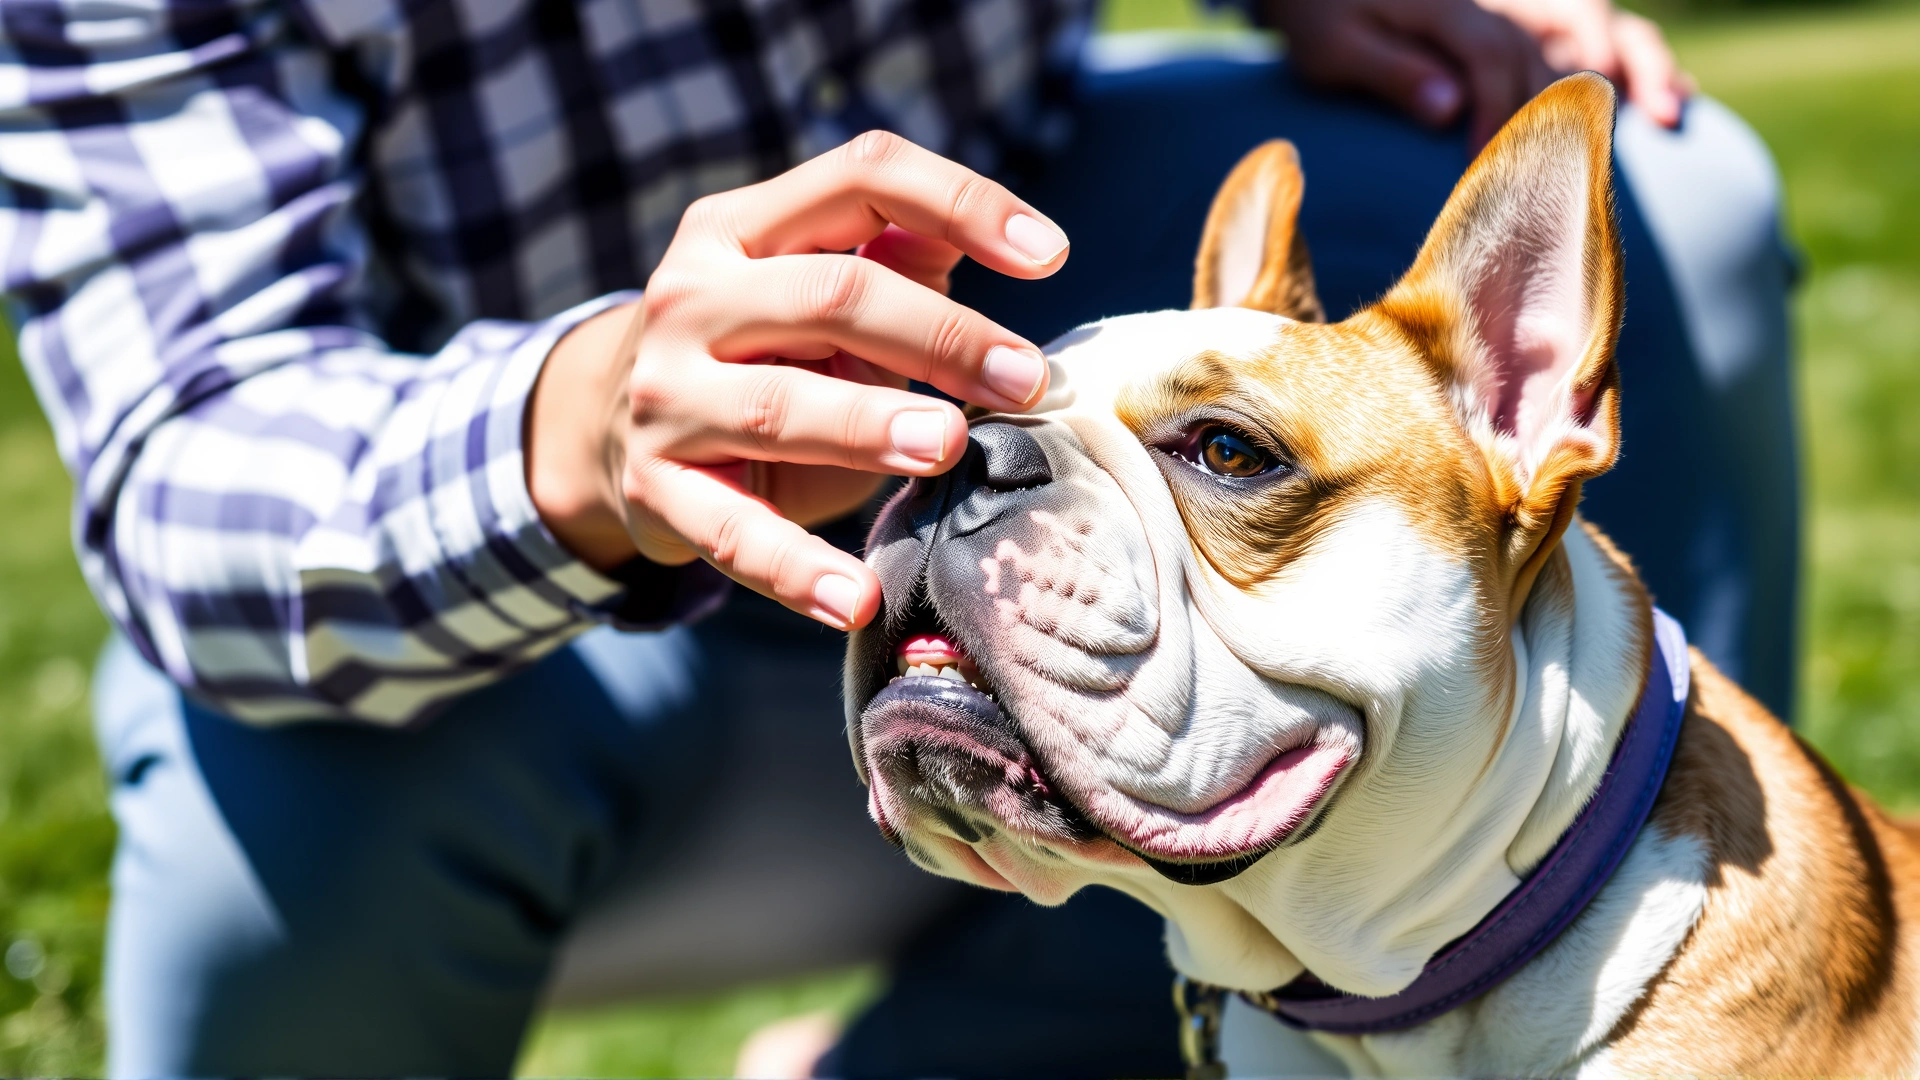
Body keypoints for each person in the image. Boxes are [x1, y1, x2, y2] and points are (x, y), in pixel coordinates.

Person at [0, 0, 1797, 1073]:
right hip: (519, 624)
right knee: (306, 766)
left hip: (1018, 297)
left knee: (1670, 181)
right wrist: (581, 436)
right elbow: (179, 446)